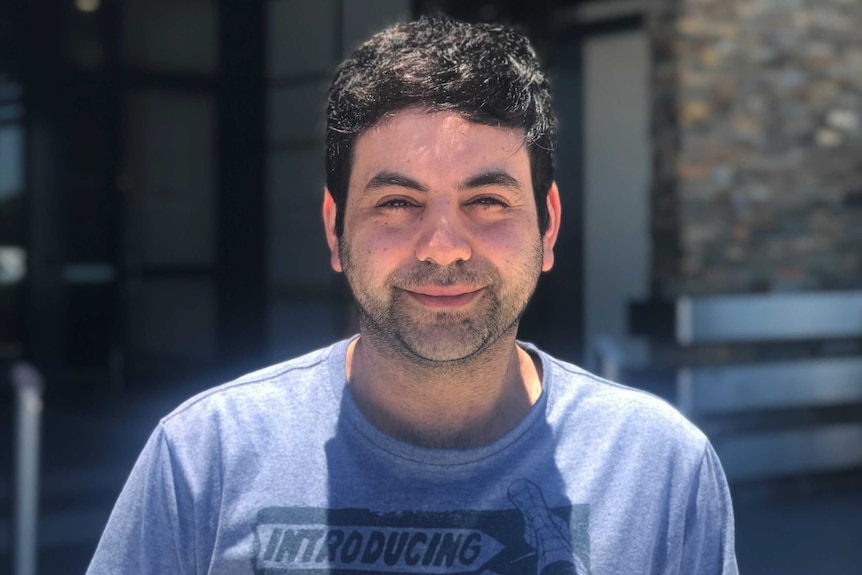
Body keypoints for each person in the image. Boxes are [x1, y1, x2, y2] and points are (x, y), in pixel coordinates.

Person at [87, 16, 737, 575]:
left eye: (487, 200)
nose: (443, 245)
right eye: (397, 202)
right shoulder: (205, 459)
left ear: (549, 225)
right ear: (335, 231)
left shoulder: (660, 468)